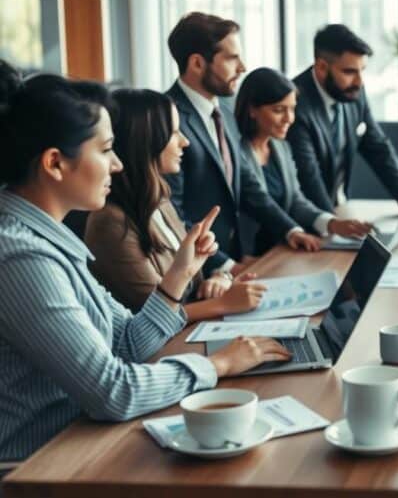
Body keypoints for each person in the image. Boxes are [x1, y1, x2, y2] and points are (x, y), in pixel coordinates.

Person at [0, 61, 290, 462]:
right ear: (54, 163)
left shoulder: (49, 238)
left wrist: (177, 278)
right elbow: (112, 391)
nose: (117, 164)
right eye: (105, 150)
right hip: (39, 467)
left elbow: (126, 343)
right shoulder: (20, 257)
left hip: (80, 440)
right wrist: (217, 365)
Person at [85, 88, 268, 316]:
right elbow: (156, 317)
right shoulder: (110, 221)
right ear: (146, 139)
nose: (185, 142)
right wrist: (224, 303)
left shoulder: (159, 198)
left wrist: (219, 279)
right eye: (174, 133)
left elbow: (188, 282)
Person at [164, 12, 320, 275]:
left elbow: (248, 185)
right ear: (197, 63)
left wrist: (289, 229)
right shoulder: (167, 118)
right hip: (197, 272)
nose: (243, 67)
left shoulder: (225, 109)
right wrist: (223, 264)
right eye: (232, 58)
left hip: (234, 264)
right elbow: (172, 213)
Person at [234, 67, 374, 254]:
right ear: (252, 110)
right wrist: (294, 231)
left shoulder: (280, 147)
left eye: (292, 109)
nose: (289, 119)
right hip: (250, 256)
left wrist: (331, 223)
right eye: (279, 110)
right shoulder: (236, 153)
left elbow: (295, 201)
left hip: (282, 249)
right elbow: (263, 203)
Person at [288, 24, 398, 212]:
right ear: (321, 67)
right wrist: (332, 225)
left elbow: (377, 147)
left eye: (362, 70)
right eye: (349, 72)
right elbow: (308, 175)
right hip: (305, 218)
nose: (359, 82)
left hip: (340, 208)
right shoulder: (294, 104)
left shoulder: (352, 93)